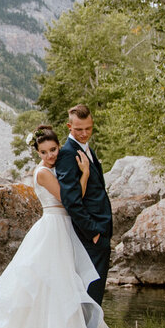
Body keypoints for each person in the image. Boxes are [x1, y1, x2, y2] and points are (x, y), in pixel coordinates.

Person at [0, 125, 128, 328]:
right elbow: (69, 198)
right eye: (44, 152)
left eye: (53, 149)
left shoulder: (56, 167)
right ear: (38, 153)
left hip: (65, 228)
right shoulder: (43, 173)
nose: (50, 155)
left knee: (65, 288)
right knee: (52, 288)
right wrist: (85, 174)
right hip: (54, 228)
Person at [55, 104, 114, 308]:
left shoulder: (88, 150)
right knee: (89, 295)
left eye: (88, 128)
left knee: (95, 295)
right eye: (79, 129)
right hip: (89, 235)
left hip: (100, 231)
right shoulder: (66, 154)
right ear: (69, 126)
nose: (84, 133)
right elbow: (71, 200)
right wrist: (93, 232)